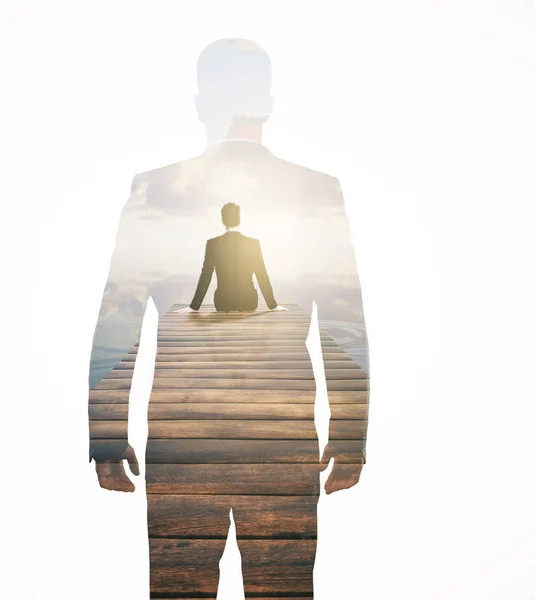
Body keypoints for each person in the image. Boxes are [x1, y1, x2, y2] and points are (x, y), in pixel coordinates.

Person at [87, 38, 370, 598]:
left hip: (183, 434)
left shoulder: (154, 191)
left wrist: (106, 435)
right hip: (282, 436)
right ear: (270, 101)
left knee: (179, 590)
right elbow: (343, 322)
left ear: (198, 103)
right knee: (283, 590)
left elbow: (118, 318)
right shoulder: (317, 192)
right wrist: (350, 433)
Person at [176, 202, 289, 314]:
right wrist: (273, 305)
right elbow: (262, 275)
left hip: (223, 303)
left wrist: (193, 307)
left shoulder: (213, 244)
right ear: (239, 220)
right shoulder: (253, 244)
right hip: (249, 301)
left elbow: (206, 275)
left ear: (222, 220)